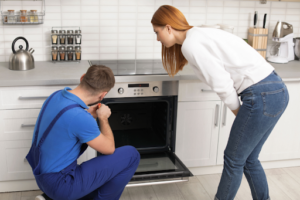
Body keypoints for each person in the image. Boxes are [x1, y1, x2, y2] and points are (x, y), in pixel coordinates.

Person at [151, 5, 289, 200]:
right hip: (276, 91)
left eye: (157, 32)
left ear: (168, 27)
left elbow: (222, 84)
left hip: (260, 95)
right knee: (249, 159)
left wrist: (239, 113)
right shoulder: (197, 34)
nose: (157, 38)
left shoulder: (192, 44)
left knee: (233, 159)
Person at [26, 65, 140, 200]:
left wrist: (89, 116)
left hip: (42, 178)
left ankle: (50, 198)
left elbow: (67, 125)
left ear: (82, 78)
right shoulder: (80, 117)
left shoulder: (56, 96)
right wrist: (103, 118)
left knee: (103, 173)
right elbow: (109, 149)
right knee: (132, 155)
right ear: (103, 95)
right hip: (61, 184)